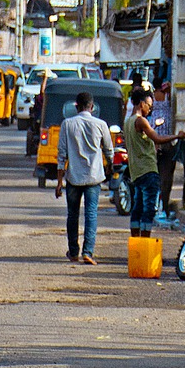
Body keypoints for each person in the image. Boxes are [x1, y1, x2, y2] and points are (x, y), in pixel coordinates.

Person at [55, 92, 116, 265]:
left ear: (76, 106)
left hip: (73, 177)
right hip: (94, 177)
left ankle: (73, 252)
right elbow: (109, 151)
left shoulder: (67, 124)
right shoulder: (101, 124)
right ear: (92, 106)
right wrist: (110, 166)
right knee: (91, 214)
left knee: (72, 215)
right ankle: (88, 252)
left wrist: (59, 182)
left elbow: (62, 155)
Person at [124, 88, 176, 240]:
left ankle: (135, 241)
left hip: (136, 171)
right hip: (148, 170)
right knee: (149, 209)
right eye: (149, 105)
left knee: (137, 208)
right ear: (141, 104)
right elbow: (157, 139)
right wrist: (176, 136)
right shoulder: (141, 120)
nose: (150, 108)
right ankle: (145, 241)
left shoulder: (128, 122)